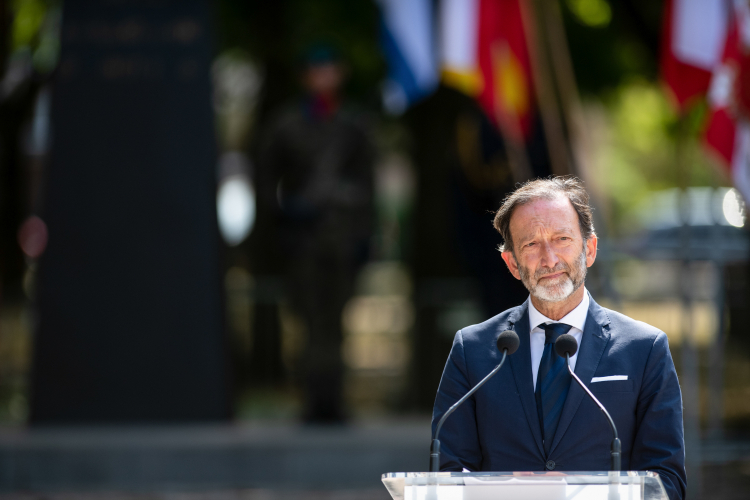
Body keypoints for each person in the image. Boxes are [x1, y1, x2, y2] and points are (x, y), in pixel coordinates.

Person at [431, 177, 686, 500]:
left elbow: (668, 482)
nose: (549, 259)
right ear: (512, 264)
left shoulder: (645, 349)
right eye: (531, 244)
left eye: (561, 238)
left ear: (589, 249)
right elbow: (447, 473)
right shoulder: (473, 350)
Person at [258, 45, 373, 423]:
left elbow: (368, 186)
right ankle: (312, 400)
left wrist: (363, 237)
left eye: (330, 70)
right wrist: (283, 219)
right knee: (308, 322)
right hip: (303, 241)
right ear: (304, 77)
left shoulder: (353, 124)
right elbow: (265, 181)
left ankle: (334, 401)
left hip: (341, 239)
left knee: (336, 322)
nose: (323, 78)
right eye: (315, 70)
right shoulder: (286, 124)